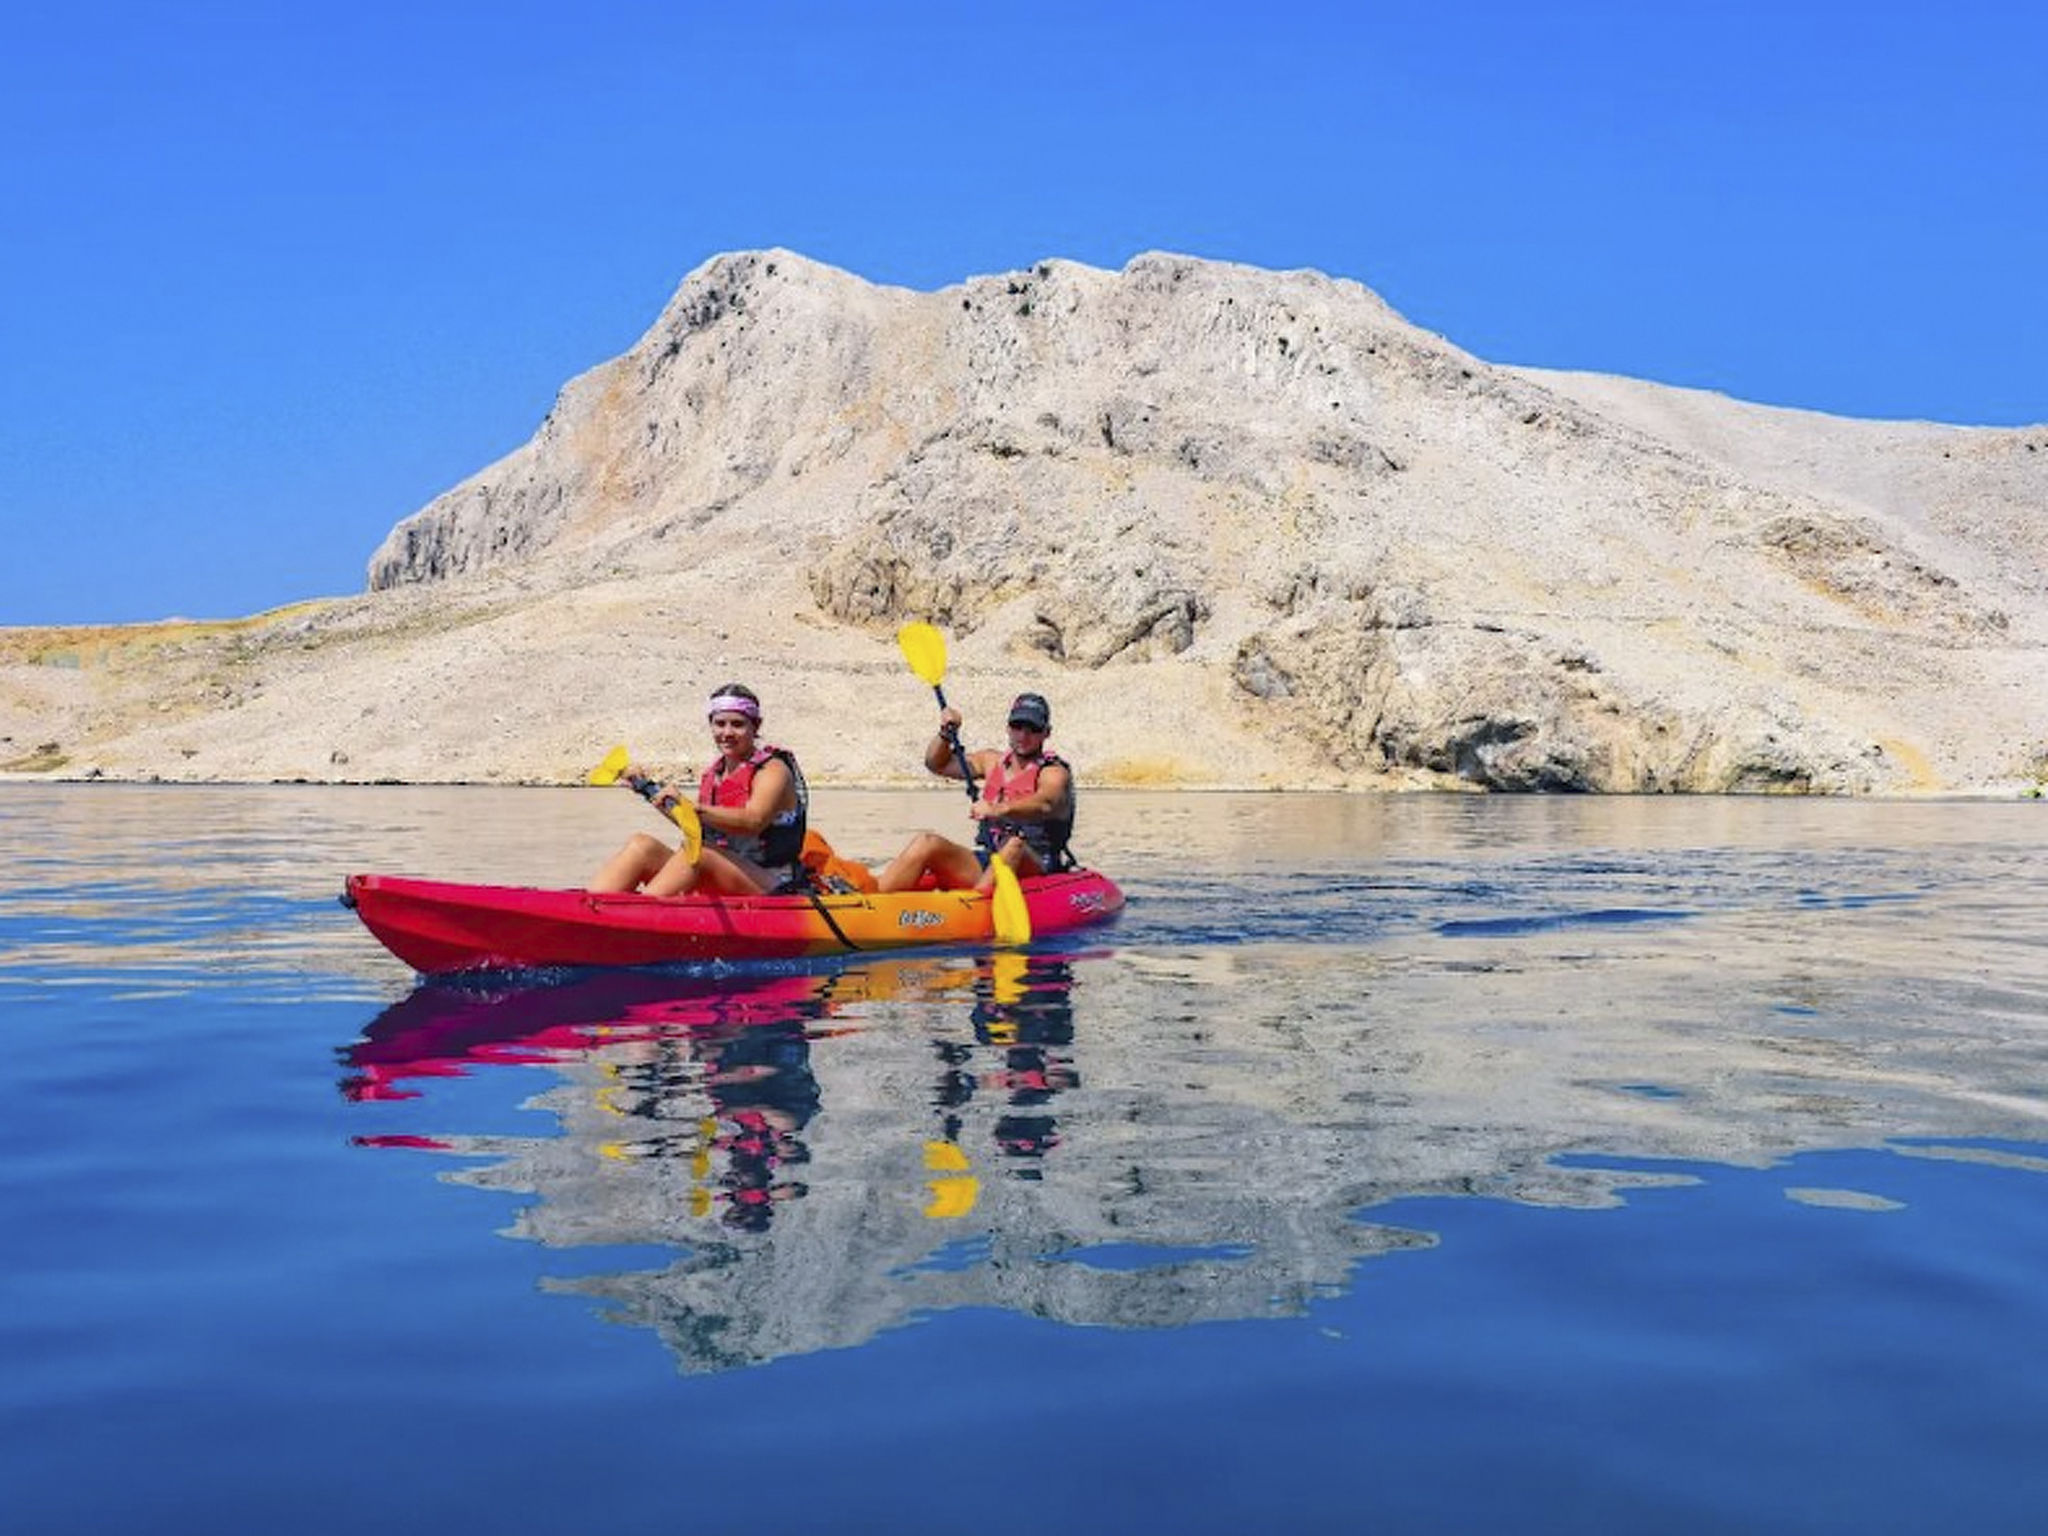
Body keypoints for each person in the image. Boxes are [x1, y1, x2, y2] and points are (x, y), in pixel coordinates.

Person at [588, 683, 810, 897]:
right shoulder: (714, 774)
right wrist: (646, 788)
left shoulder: (773, 770)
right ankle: (591, 908)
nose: (727, 732)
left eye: (738, 724)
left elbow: (754, 821)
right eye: (720, 724)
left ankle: (639, 914)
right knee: (641, 845)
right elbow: (700, 826)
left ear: (756, 726)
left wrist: (694, 808)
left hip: (772, 880)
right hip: (726, 868)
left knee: (700, 853)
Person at [875, 690, 1075, 893]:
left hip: (1035, 864)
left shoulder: (1054, 772)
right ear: (1008, 728)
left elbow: (1045, 802)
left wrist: (998, 809)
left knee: (1015, 845)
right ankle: (871, 903)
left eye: (1033, 728)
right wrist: (945, 733)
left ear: (1046, 732)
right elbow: (936, 764)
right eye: (1017, 726)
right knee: (926, 843)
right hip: (989, 858)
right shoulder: (990, 761)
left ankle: (974, 909)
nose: (1023, 735)